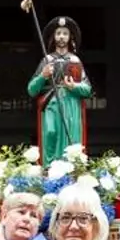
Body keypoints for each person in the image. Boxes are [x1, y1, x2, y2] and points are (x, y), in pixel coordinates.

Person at [28, 15, 91, 165]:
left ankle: (70, 169)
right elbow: (31, 89)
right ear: (53, 37)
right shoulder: (47, 61)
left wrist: (74, 87)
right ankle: (49, 169)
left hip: (71, 107)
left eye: (65, 33)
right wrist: (43, 76)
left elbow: (88, 89)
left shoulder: (75, 61)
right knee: (50, 133)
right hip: (52, 104)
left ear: (70, 37)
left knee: (70, 141)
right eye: (58, 33)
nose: (61, 37)